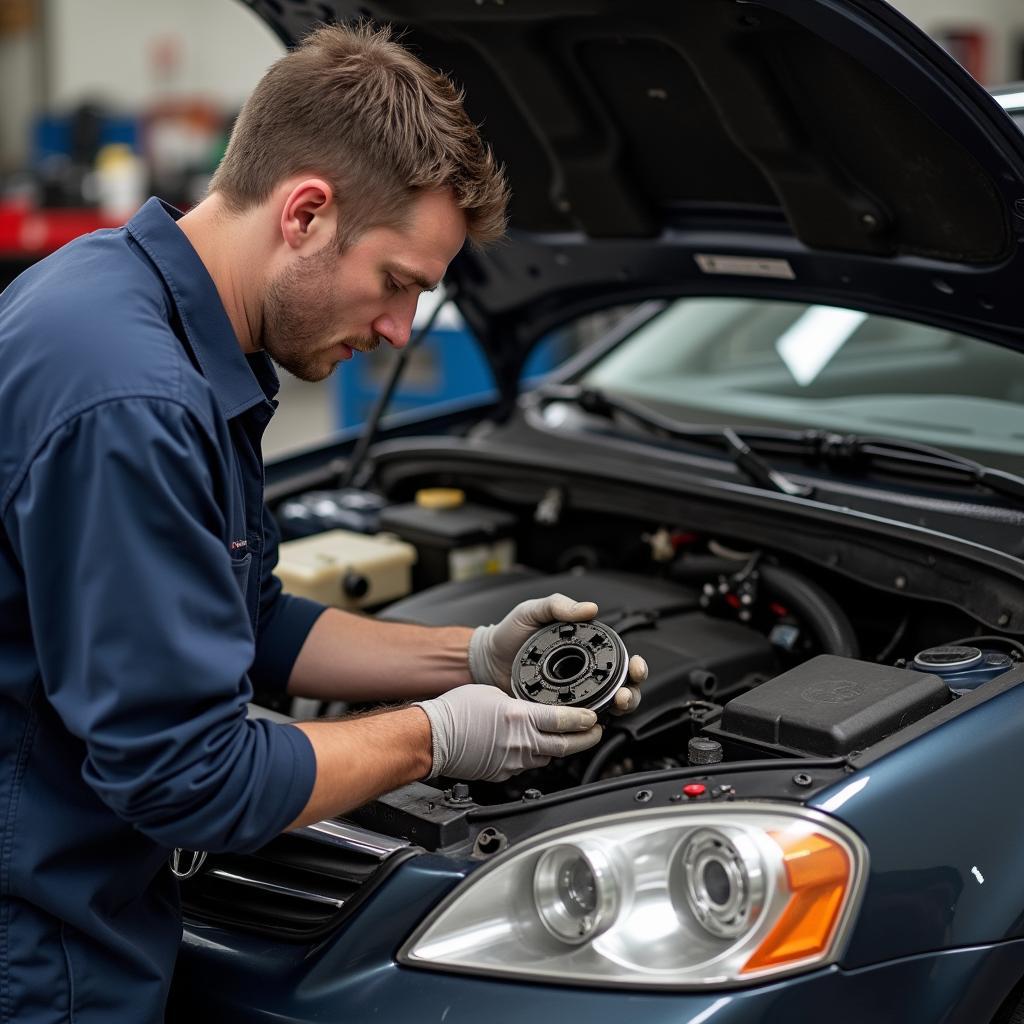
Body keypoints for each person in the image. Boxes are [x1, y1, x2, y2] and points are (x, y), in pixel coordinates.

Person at [0, 22, 646, 1024]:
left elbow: (249, 618)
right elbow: (190, 779)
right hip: (37, 947)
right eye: (397, 284)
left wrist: (468, 657)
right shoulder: (139, 400)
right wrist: (435, 739)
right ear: (305, 211)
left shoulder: (132, 302)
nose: (397, 332)